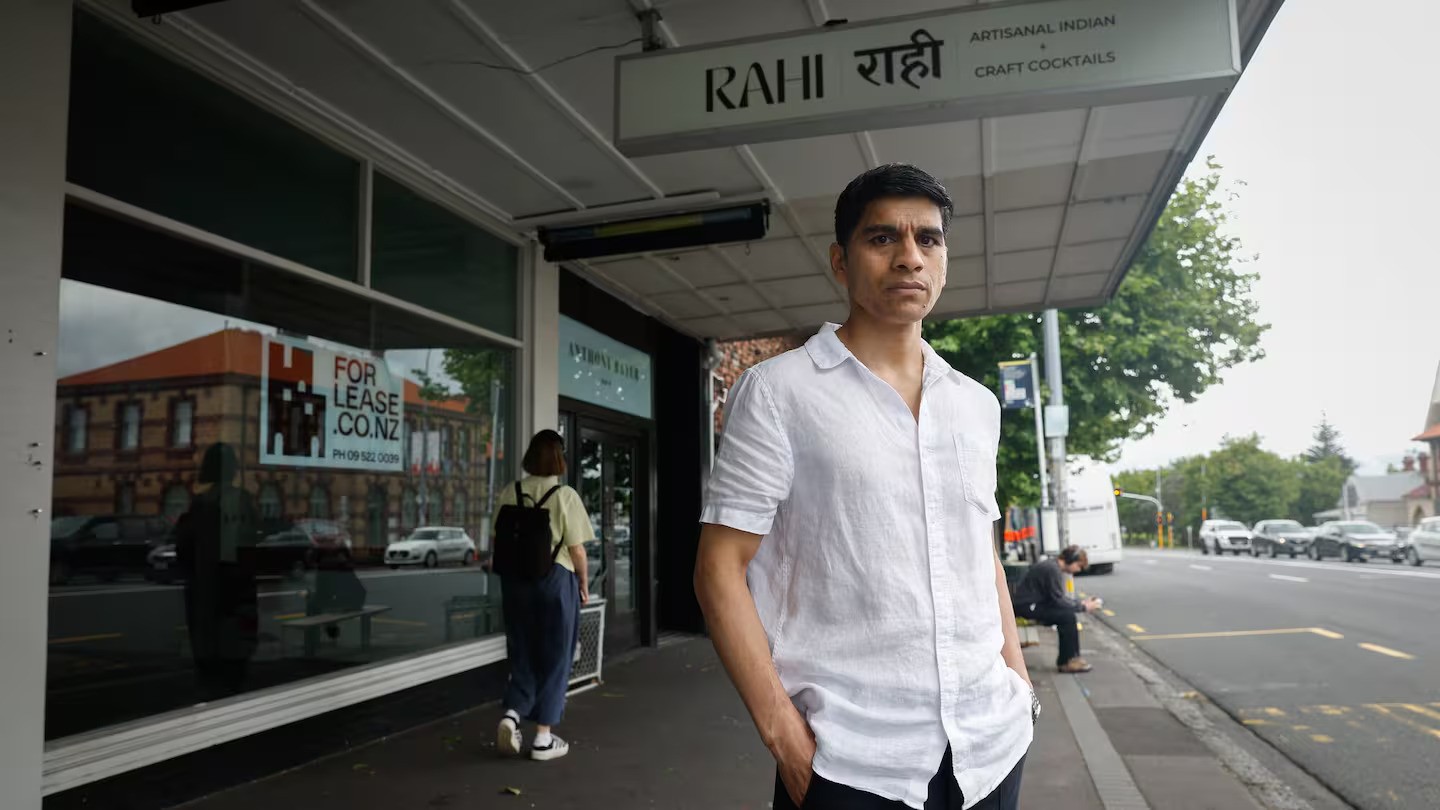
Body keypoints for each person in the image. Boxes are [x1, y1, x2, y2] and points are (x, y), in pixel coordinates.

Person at [695, 164, 1034, 810]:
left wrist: (1017, 681)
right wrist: (785, 739)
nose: (910, 257)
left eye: (928, 240)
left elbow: (977, 551)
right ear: (840, 262)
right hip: (848, 761)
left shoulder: (976, 404)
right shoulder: (779, 393)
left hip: (989, 747)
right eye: (883, 239)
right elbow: (717, 569)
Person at [492, 429, 594, 762]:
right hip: (555, 582)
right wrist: (583, 583)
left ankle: (512, 714)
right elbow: (576, 549)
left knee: (521, 651)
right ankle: (543, 739)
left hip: (515, 584)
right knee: (556, 656)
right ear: (559, 457)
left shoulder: (510, 491)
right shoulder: (564, 495)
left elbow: (498, 537)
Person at [174, 443, 260, 701]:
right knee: (234, 667)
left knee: (209, 669)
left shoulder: (199, 504)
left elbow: (183, 549)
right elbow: (250, 546)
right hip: (235, 593)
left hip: (205, 594)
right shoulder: (240, 500)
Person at [1012, 545, 1101, 674]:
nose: (1078, 570)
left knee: (1067, 615)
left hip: (1033, 604)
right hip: (1027, 606)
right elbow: (1058, 600)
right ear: (1071, 560)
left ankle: (1071, 658)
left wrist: (1080, 603)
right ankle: (1067, 661)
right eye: (1079, 565)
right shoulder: (1052, 569)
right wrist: (1083, 607)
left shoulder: (1051, 566)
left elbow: (1058, 598)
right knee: (1067, 617)